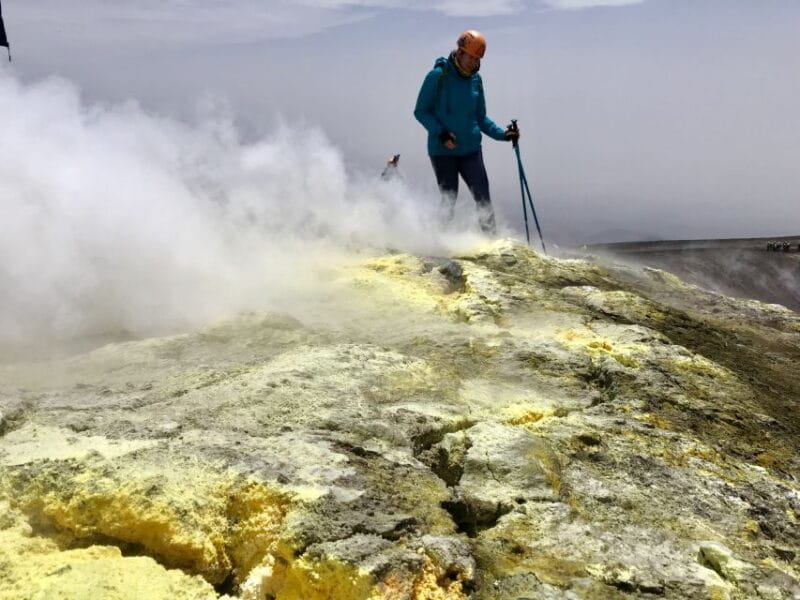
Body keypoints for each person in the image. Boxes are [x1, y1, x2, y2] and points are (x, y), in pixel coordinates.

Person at [414, 30, 519, 234]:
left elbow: (480, 118)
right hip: (443, 151)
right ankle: (436, 243)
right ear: (459, 51)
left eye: (477, 58)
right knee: (449, 200)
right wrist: (441, 133)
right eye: (469, 56)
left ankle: (491, 244)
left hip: (471, 149)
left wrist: (503, 135)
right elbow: (420, 111)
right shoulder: (438, 76)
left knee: (483, 199)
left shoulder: (476, 80)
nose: (472, 61)